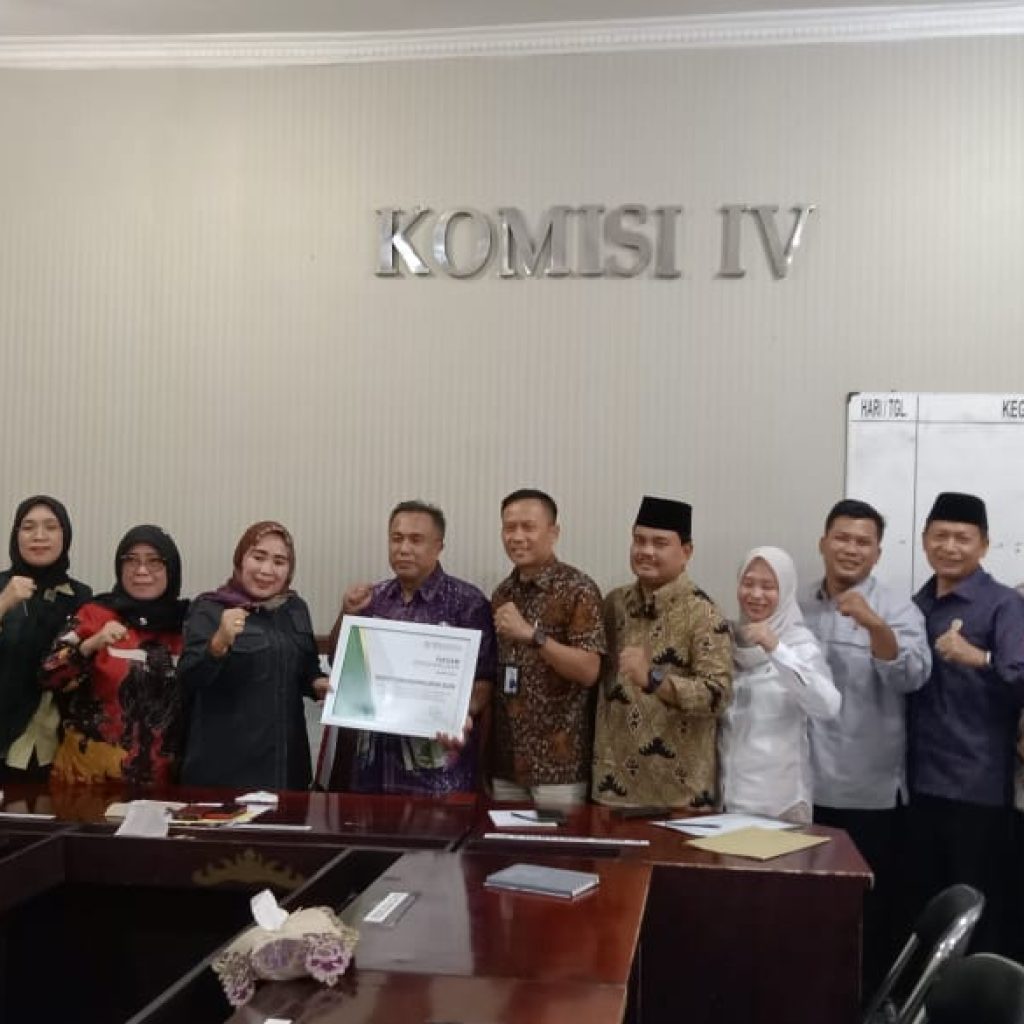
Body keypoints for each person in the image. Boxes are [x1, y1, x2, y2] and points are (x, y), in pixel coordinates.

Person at [801, 499, 931, 988]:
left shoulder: (898, 608)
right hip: (802, 788)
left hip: (867, 794)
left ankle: (863, 1006)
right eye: (842, 538)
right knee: (805, 910)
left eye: (863, 542)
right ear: (823, 542)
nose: (851, 549)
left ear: (877, 553)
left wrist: (876, 626)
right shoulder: (798, 603)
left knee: (864, 916)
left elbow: (912, 677)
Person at [908, 491, 1024, 952]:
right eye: (940, 536)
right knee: (923, 908)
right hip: (918, 781)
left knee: (972, 916)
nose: (950, 547)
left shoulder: (1003, 604)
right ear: (923, 540)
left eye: (962, 538)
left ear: (984, 545)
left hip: (976, 786)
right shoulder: (917, 605)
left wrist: (979, 657)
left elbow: (1020, 676)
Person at [318, 500, 496, 794]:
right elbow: (341, 663)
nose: (403, 549)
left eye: (416, 540)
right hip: (373, 768)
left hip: (437, 771)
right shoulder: (372, 598)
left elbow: (484, 681)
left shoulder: (468, 603)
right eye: (396, 538)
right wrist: (346, 614)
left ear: (438, 546)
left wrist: (455, 713)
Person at [593, 496, 733, 809]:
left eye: (660, 543)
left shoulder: (704, 614)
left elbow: (718, 695)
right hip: (612, 788)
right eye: (639, 540)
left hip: (679, 795)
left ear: (686, 552)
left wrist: (654, 679)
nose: (646, 551)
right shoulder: (614, 604)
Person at [179, 521, 328, 791]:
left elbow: (306, 668)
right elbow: (189, 677)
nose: (266, 570)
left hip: (287, 774)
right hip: (225, 776)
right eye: (258, 557)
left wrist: (317, 683)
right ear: (240, 559)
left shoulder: (295, 608)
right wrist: (218, 643)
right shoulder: (210, 609)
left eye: (279, 561)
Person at [41, 525, 187, 786]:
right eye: (131, 560)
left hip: (164, 782)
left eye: (154, 561)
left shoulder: (187, 625)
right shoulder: (94, 615)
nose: (141, 570)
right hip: (88, 780)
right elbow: (48, 676)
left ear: (171, 570)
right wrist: (90, 645)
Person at [491, 488, 605, 808]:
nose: (517, 537)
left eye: (528, 527)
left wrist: (533, 636)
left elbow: (589, 670)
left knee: (555, 841)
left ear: (553, 533)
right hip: (507, 765)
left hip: (559, 769)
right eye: (509, 528)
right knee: (505, 839)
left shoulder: (578, 589)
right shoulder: (502, 594)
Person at [720, 546, 839, 823]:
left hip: (780, 805)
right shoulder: (727, 640)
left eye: (768, 586)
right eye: (748, 583)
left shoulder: (799, 645)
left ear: (785, 591)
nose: (756, 594)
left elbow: (828, 705)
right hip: (726, 803)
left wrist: (776, 648)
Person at [0, 496, 92, 781]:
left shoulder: (80, 596)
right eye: (28, 527)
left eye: (51, 527)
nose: (39, 536)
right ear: (16, 536)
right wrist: (4, 603)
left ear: (65, 536)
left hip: (56, 749)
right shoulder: (2, 587)